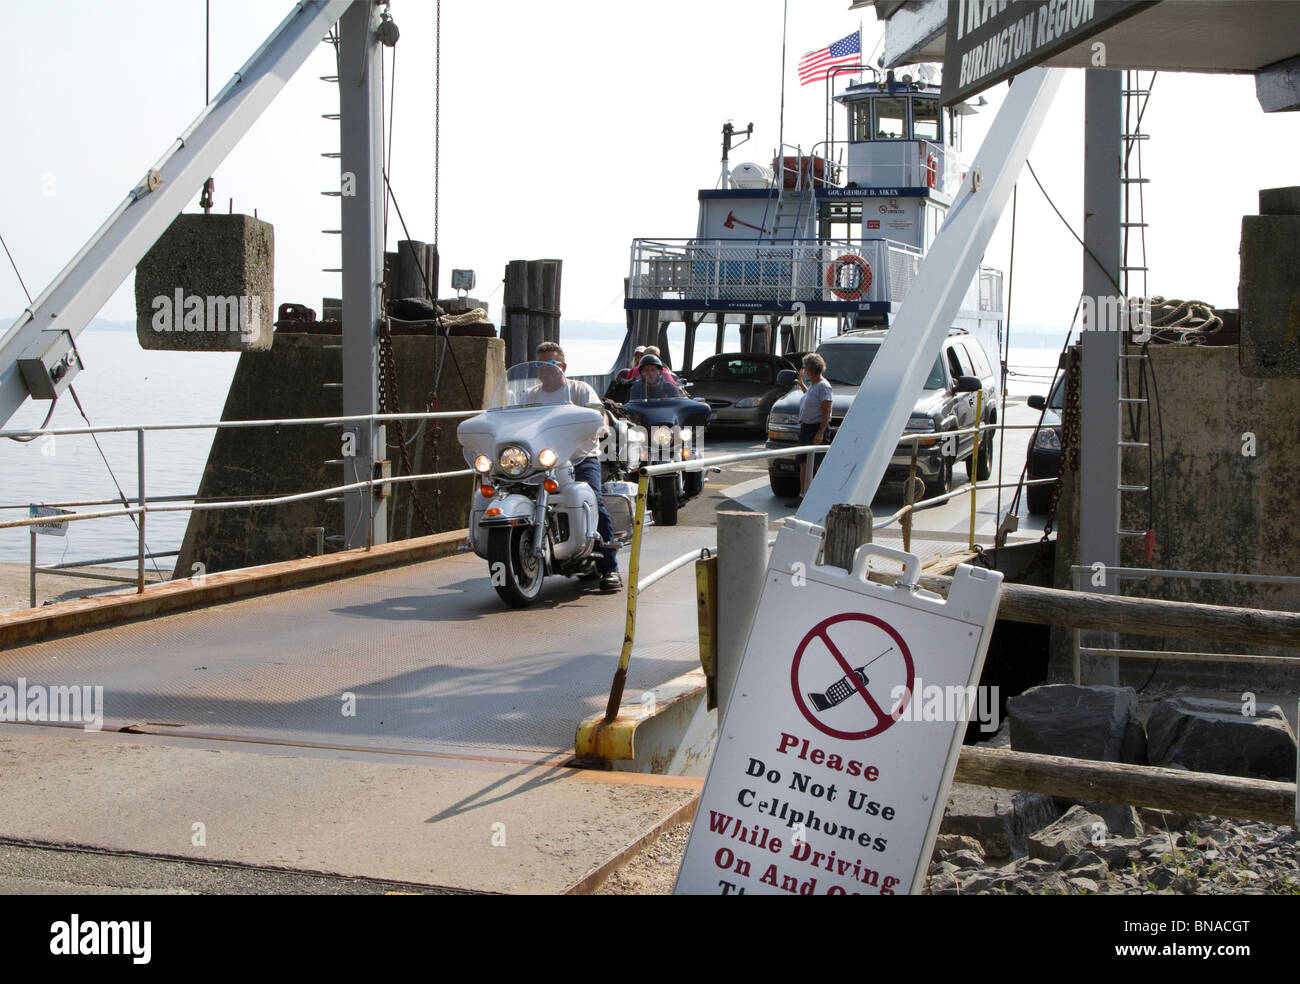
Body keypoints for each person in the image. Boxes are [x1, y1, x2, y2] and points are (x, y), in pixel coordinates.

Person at [532, 341, 621, 592]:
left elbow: (598, 413)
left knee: (593, 501)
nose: (545, 369)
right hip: (542, 461)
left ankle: (610, 569)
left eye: (551, 364)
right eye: (540, 364)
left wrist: (601, 425)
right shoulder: (530, 395)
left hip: (580, 457)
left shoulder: (579, 390)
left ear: (563, 366)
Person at [788, 352, 832, 508]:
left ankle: (821, 496)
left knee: (818, 464)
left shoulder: (823, 386)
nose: (804, 371)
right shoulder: (814, 386)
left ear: (810, 369)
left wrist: (821, 431)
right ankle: (803, 495)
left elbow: (826, 410)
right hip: (806, 428)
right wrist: (801, 384)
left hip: (816, 428)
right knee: (803, 463)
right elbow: (810, 398)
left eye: (806, 368)